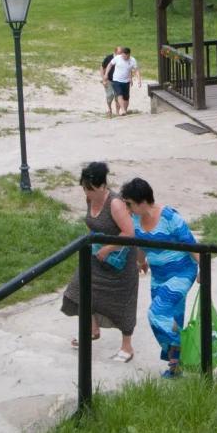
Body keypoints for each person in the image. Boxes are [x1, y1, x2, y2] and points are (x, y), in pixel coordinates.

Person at [60, 162, 145, 362]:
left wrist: (108, 248)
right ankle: (91, 328)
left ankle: (127, 346)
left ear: (101, 186)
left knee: (122, 302)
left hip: (119, 260)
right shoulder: (90, 199)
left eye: (89, 189)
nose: (86, 192)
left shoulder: (115, 203)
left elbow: (129, 233)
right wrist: (89, 244)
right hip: (97, 255)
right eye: (83, 187)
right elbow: (92, 224)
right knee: (79, 288)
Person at [121, 177, 199, 378]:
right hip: (159, 275)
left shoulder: (169, 217)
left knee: (156, 313)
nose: (127, 208)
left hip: (182, 272)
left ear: (143, 202)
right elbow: (140, 244)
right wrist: (141, 261)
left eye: (130, 204)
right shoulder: (135, 220)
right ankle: (176, 367)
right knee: (173, 318)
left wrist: (204, 268)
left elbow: (192, 244)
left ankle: (184, 349)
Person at [108, 46, 141, 116]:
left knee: (126, 98)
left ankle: (125, 110)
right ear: (122, 54)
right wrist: (106, 74)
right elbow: (110, 65)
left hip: (126, 81)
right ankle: (123, 110)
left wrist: (139, 80)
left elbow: (136, 70)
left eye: (128, 56)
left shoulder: (132, 60)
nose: (126, 58)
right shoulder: (117, 58)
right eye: (125, 56)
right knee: (119, 94)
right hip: (117, 79)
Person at [101, 47, 123, 117]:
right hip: (109, 79)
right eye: (119, 53)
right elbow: (102, 68)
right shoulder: (109, 58)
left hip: (118, 80)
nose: (120, 55)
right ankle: (109, 110)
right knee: (109, 95)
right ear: (115, 52)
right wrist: (104, 79)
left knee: (118, 96)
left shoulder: (122, 59)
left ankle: (117, 112)